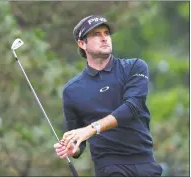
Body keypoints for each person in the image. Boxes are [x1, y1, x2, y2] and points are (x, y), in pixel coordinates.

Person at [54, 15, 163, 176]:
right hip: (109, 166)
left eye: (106, 33)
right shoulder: (72, 90)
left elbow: (132, 107)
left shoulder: (134, 67)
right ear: (82, 43)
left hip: (145, 161)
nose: (104, 38)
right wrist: (74, 148)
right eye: (96, 34)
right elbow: (79, 139)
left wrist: (91, 129)